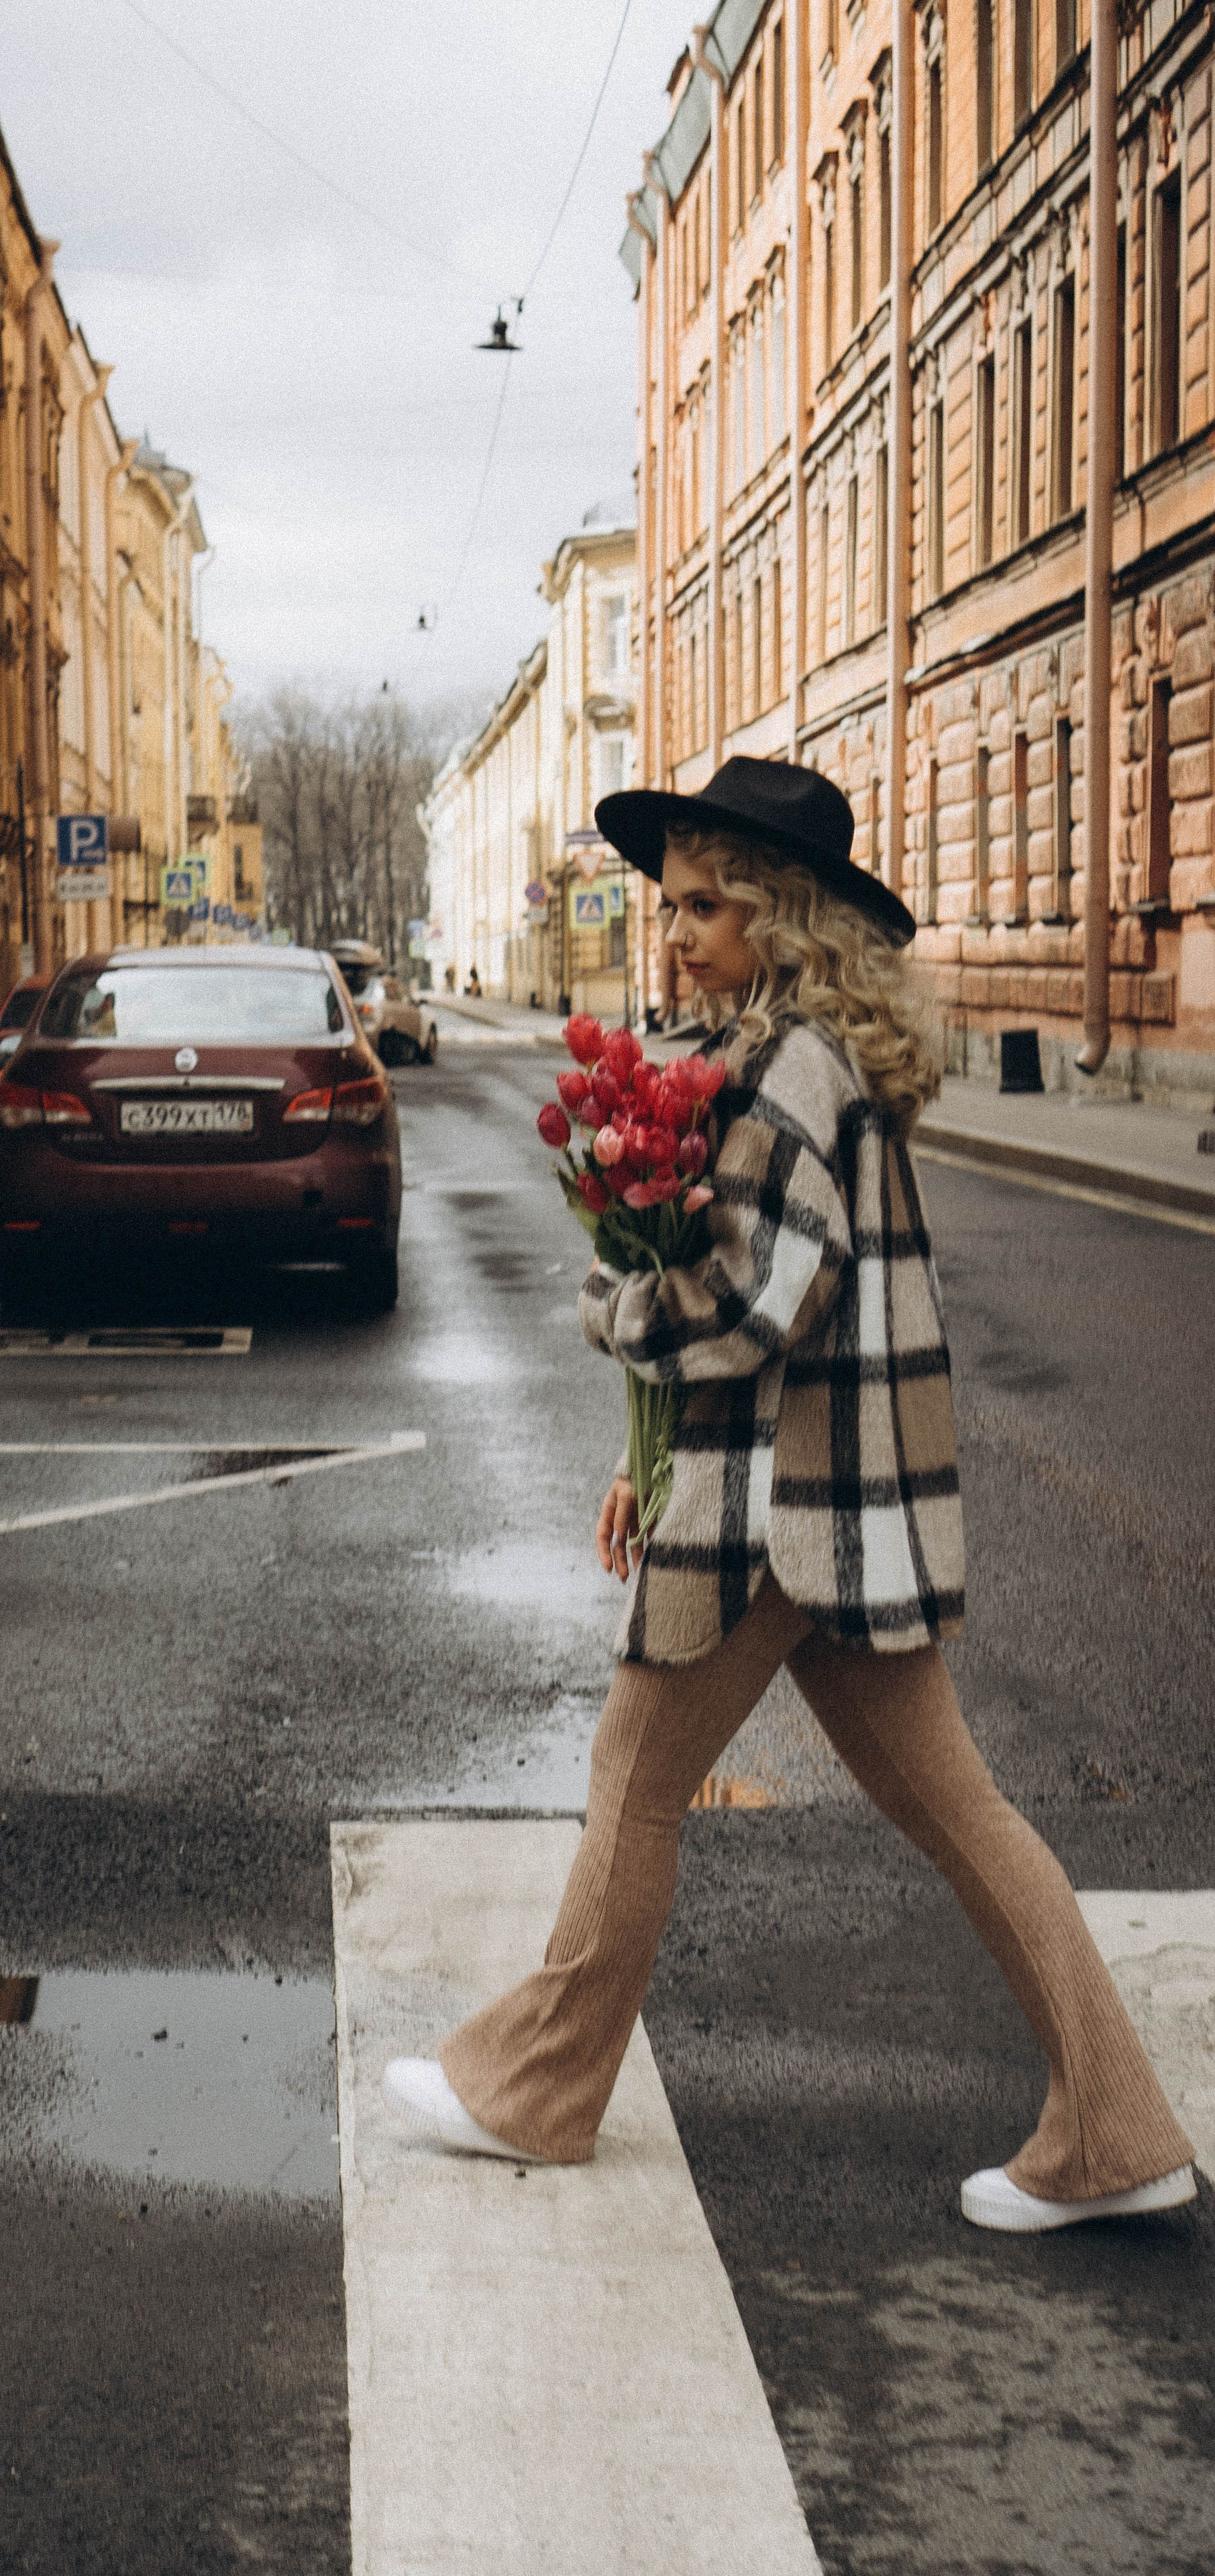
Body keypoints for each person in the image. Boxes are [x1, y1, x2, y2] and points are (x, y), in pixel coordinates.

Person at [384, 757, 1195, 2235]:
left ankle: (534, 2091)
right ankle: (1117, 2126)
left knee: (633, 1780)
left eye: (707, 905)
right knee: (959, 1812)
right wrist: (643, 1455)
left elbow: (754, 1299)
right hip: (832, 1502)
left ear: (785, 918)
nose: (675, 931)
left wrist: (611, 1311)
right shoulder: (797, 1052)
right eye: (669, 903)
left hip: (777, 1506)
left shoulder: (788, 1067)